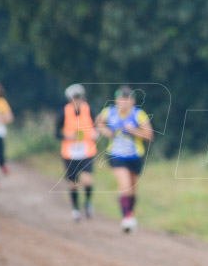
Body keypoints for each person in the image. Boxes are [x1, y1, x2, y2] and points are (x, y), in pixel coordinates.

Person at [96, 86, 153, 233]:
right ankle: (126, 217)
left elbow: (149, 135)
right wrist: (105, 131)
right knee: (125, 185)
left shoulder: (139, 115)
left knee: (133, 188)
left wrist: (133, 130)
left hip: (135, 156)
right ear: (116, 100)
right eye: (122, 98)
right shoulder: (109, 112)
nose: (125, 102)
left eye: (128, 99)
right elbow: (98, 123)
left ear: (133, 101)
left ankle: (130, 214)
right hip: (116, 155)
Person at [56, 84, 98, 221]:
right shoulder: (63, 113)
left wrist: (96, 133)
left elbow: (98, 126)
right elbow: (56, 133)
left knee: (87, 179)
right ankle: (75, 209)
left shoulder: (90, 110)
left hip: (87, 150)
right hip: (70, 152)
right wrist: (67, 136)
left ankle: (87, 203)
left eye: (79, 98)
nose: (77, 101)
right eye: (74, 98)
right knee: (73, 183)